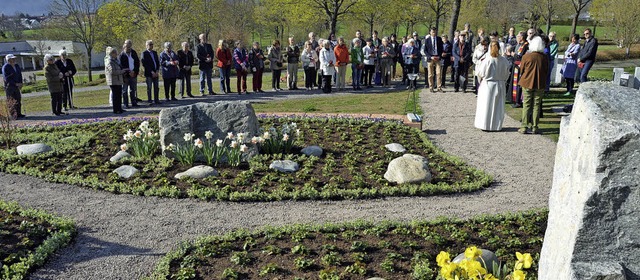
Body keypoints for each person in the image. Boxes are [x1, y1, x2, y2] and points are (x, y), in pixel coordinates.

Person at [474, 42, 510, 131]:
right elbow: (507, 74)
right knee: (498, 106)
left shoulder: (488, 60)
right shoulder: (504, 60)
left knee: (487, 105)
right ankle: (496, 126)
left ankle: (485, 125)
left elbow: (481, 73)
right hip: (500, 84)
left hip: (488, 84)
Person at [518, 36, 548, 134]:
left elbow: (521, 70)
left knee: (526, 105)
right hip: (540, 83)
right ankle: (535, 126)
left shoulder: (526, 56)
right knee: (536, 105)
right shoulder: (544, 57)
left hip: (527, 82)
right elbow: (546, 71)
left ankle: (524, 126)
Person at [105, 46, 128, 114]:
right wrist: (122, 71)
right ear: (111, 54)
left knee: (119, 95)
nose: (116, 54)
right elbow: (113, 72)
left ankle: (120, 108)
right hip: (113, 81)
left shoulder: (116, 61)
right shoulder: (109, 61)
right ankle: (116, 109)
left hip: (118, 80)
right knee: (115, 96)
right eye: (114, 53)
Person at [119, 39, 141, 107]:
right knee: (124, 90)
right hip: (125, 76)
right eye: (127, 47)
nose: (128, 48)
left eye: (129, 47)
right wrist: (128, 72)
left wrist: (134, 71)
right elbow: (121, 66)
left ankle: (134, 102)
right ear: (124, 47)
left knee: (133, 89)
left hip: (133, 74)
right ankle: (126, 104)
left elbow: (137, 63)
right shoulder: (121, 55)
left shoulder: (133, 53)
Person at [2, 54, 24, 118]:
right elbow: (7, 78)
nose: (14, 60)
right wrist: (15, 83)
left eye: (14, 58)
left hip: (17, 86)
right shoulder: (5, 67)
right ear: (8, 60)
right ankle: (13, 115)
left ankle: (19, 113)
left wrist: (20, 83)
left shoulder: (16, 66)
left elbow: (20, 75)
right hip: (10, 86)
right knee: (11, 100)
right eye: (12, 59)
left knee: (18, 99)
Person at [512, 31, 529, 107]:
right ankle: (515, 100)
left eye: (518, 36)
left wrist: (513, 55)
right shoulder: (519, 44)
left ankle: (518, 101)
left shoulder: (525, 45)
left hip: (520, 67)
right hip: (516, 66)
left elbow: (521, 57)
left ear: (521, 37)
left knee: (519, 84)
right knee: (515, 83)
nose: (517, 38)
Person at [424, 27, 444, 92]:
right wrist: (430, 57)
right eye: (432, 32)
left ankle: (439, 87)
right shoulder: (427, 40)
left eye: (435, 32)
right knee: (430, 74)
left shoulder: (439, 39)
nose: (434, 33)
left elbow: (441, 49)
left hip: (437, 58)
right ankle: (431, 87)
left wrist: (439, 56)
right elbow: (425, 50)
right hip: (430, 58)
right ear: (430, 32)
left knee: (438, 73)